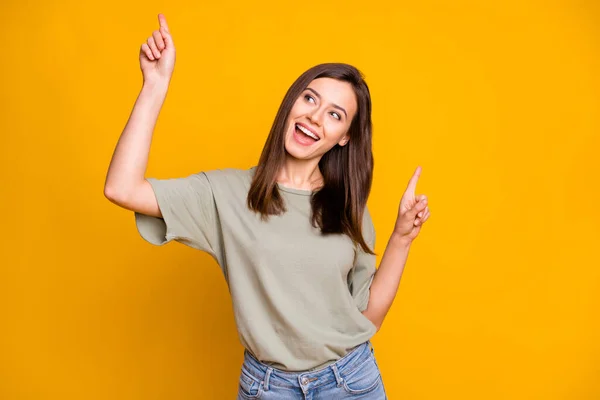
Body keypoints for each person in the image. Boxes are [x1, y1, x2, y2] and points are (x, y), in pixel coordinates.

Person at [104, 13, 430, 400]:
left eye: (335, 115)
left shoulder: (347, 209)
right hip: (268, 389)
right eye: (310, 98)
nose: (314, 116)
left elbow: (368, 317)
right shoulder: (226, 194)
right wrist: (154, 86)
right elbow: (121, 187)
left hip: (350, 383)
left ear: (344, 138)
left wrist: (402, 237)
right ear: (292, 102)